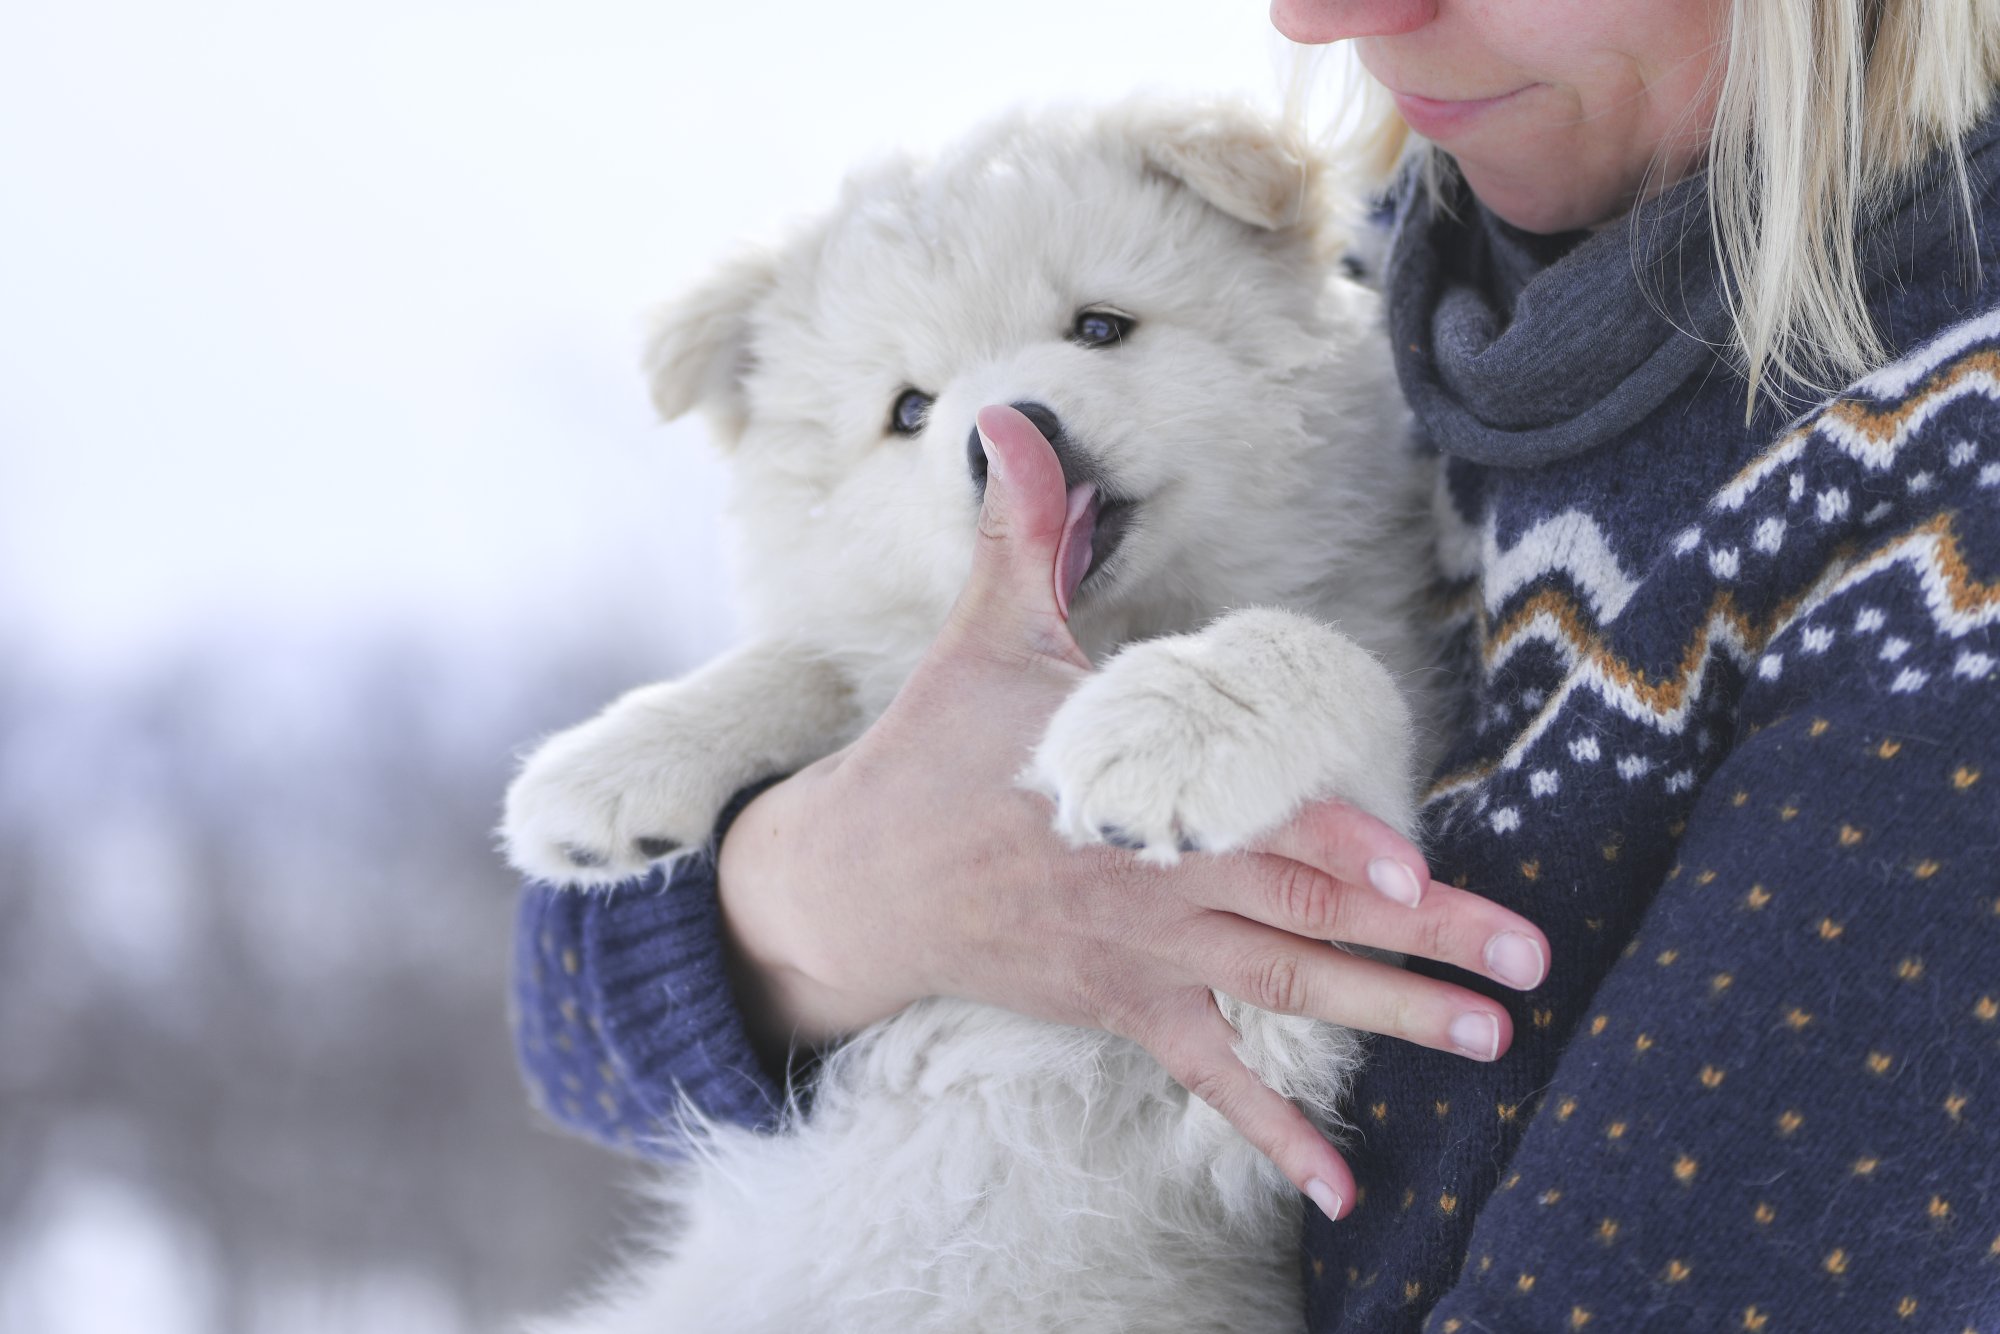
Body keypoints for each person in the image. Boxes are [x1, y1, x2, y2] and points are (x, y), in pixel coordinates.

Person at [512, 1, 2000, 1328]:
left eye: (1099, 327)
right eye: (913, 410)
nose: (1316, 16)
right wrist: (833, 890)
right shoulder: (1396, 259)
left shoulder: (1947, 519)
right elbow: (573, 1021)